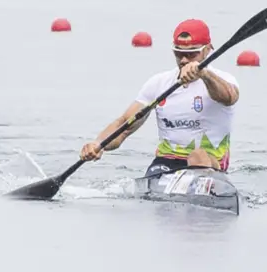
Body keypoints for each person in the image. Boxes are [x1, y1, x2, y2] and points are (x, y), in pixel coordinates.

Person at [79, 19, 240, 178]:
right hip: (166, 162)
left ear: (207, 50)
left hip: (210, 163)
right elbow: (124, 125)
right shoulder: (158, 84)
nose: (184, 60)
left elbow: (229, 97)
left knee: (197, 156)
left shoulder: (224, 80)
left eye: (191, 54)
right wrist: (98, 144)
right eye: (179, 53)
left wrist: (204, 74)